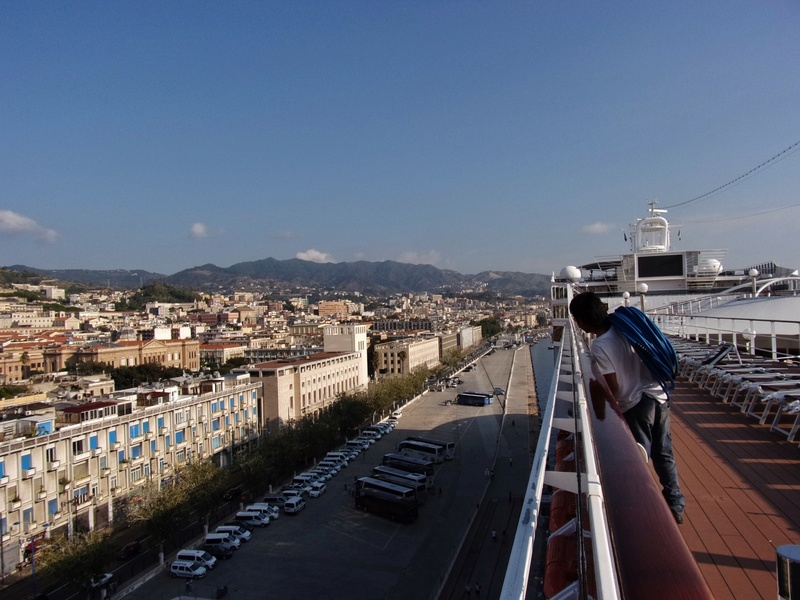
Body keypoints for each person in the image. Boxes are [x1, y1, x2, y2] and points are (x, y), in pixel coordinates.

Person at [569, 291, 686, 524]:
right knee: (664, 452)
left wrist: (600, 403)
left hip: (636, 404)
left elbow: (614, 389)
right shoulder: (627, 327)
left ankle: (644, 506)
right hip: (658, 394)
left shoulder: (601, 346)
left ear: (580, 322)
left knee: (638, 458)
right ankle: (675, 505)